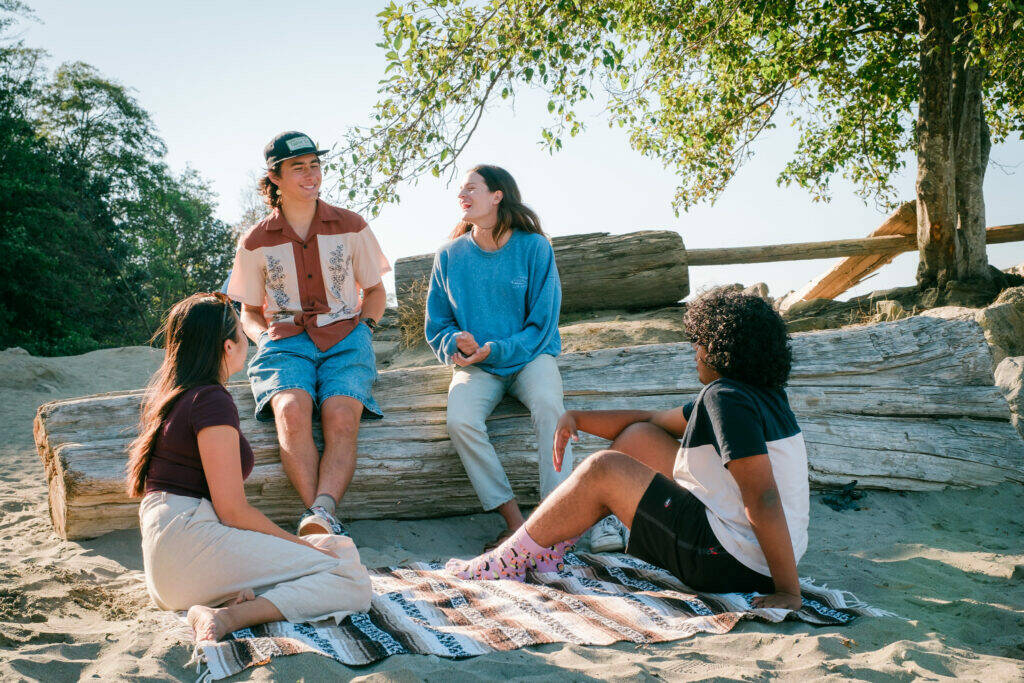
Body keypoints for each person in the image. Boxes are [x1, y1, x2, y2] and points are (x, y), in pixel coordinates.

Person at [447, 288, 808, 610]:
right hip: (756, 555)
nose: (695, 350)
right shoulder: (757, 395)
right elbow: (654, 419)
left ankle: (505, 560)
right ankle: (545, 548)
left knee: (602, 468)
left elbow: (763, 497)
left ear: (720, 347)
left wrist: (789, 591)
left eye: (699, 340)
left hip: (727, 560)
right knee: (639, 436)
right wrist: (576, 417)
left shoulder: (725, 398)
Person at [126, 293, 372, 642]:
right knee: (352, 578)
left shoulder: (177, 397)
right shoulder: (210, 400)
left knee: (340, 549)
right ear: (228, 347)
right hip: (189, 545)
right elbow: (232, 512)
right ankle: (229, 616)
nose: (247, 340)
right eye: (242, 333)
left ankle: (227, 598)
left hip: (169, 564)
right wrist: (298, 545)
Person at [424, 165, 628, 552]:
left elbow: (542, 324)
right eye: (460, 191)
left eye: (471, 188)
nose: (462, 195)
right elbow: (436, 323)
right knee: (460, 420)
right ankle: (518, 524)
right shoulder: (449, 255)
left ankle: (557, 520)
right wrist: (456, 342)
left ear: (497, 195)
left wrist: (496, 348)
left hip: (531, 358)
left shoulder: (535, 247)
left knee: (551, 408)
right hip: (477, 368)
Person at [227, 131, 391, 537]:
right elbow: (248, 311)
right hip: (284, 342)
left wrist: (365, 330)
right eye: (298, 167)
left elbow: (374, 292)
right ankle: (318, 517)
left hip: (346, 337)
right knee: (291, 412)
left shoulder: (351, 226)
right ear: (274, 177)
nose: (310, 174)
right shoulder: (254, 241)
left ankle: (321, 514)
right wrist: (263, 336)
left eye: (315, 164)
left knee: (339, 415)